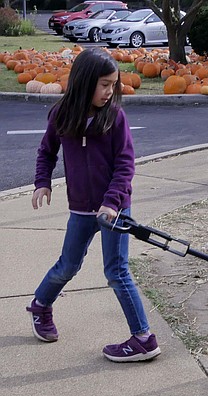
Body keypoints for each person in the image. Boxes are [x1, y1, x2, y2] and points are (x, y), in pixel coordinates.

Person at [27, 47, 160, 362]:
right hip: (81, 210)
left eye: (113, 84)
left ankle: (142, 337)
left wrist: (112, 202)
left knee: (117, 271)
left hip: (114, 210)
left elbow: (125, 165)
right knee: (68, 265)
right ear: (84, 82)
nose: (110, 91)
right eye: (104, 84)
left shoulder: (115, 117)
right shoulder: (61, 114)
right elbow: (46, 152)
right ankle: (40, 305)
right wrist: (42, 182)